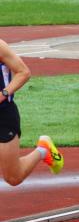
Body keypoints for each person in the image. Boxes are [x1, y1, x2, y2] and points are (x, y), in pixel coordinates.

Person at [0, 38, 64, 191]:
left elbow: (23, 72)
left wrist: (3, 94)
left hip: (3, 116)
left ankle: (43, 149)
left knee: (13, 177)